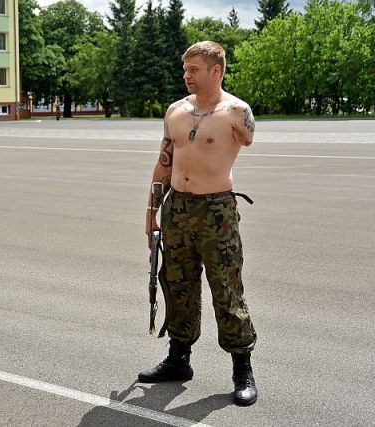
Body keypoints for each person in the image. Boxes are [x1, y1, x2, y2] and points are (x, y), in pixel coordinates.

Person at [139, 41, 258, 406]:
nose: (186, 75)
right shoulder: (175, 111)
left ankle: (242, 368)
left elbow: (245, 143)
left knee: (226, 287)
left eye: (193, 68)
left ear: (215, 70)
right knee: (177, 284)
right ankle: (179, 360)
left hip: (216, 212)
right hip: (177, 208)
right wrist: (151, 212)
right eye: (185, 68)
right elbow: (165, 162)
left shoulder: (237, 112)